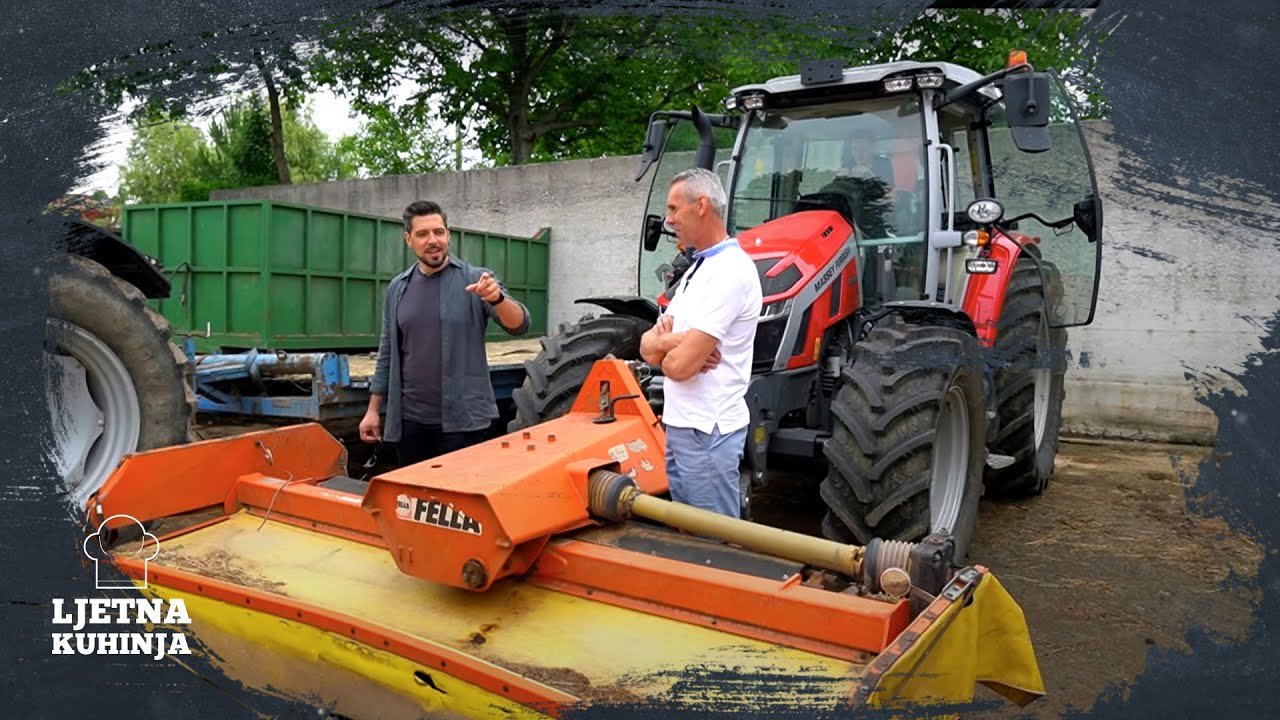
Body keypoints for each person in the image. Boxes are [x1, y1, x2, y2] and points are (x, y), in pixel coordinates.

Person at [360, 200, 531, 467]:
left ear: (448, 235)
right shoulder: (398, 288)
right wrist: (372, 411)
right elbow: (388, 353)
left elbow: (519, 325)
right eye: (422, 234)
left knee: (460, 503)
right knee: (415, 501)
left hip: (464, 425)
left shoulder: (477, 280)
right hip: (410, 425)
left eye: (439, 232)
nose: (433, 240)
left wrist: (497, 298)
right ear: (408, 239)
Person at [639, 168, 762, 518]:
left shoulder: (730, 272)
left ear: (702, 205)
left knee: (713, 547)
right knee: (690, 537)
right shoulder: (698, 270)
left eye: (674, 209)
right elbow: (646, 346)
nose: (669, 219)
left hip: (709, 433)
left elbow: (677, 368)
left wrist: (669, 346)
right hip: (682, 428)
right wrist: (677, 342)